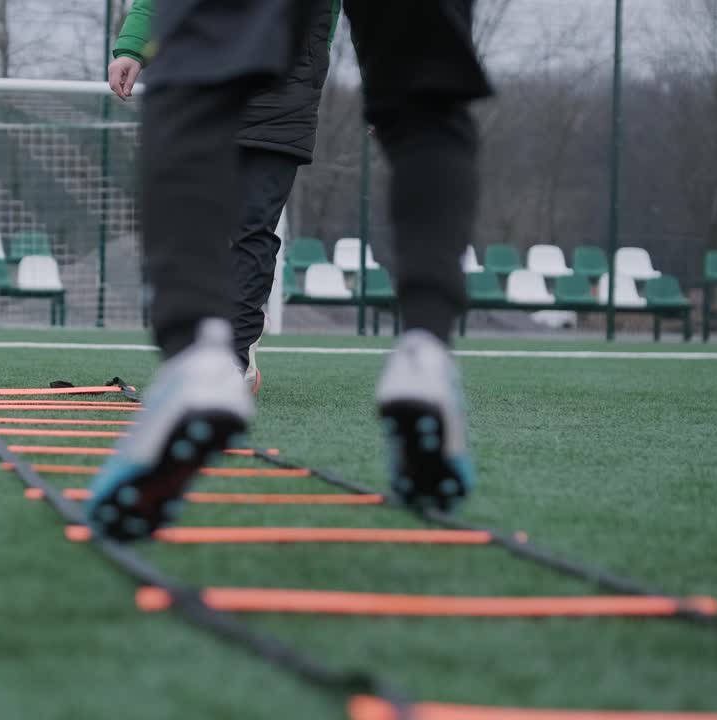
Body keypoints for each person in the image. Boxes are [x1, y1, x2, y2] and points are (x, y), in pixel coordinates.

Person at [87, 0, 493, 542]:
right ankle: (425, 355)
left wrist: (136, 39)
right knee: (427, 93)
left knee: (197, 80)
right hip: (300, 80)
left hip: (273, 76)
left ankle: (197, 360)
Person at [107, 0, 341, 395]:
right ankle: (214, 336)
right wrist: (133, 45)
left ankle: (233, 359)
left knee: (253, 225)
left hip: (285, 85)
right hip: (200, 74)